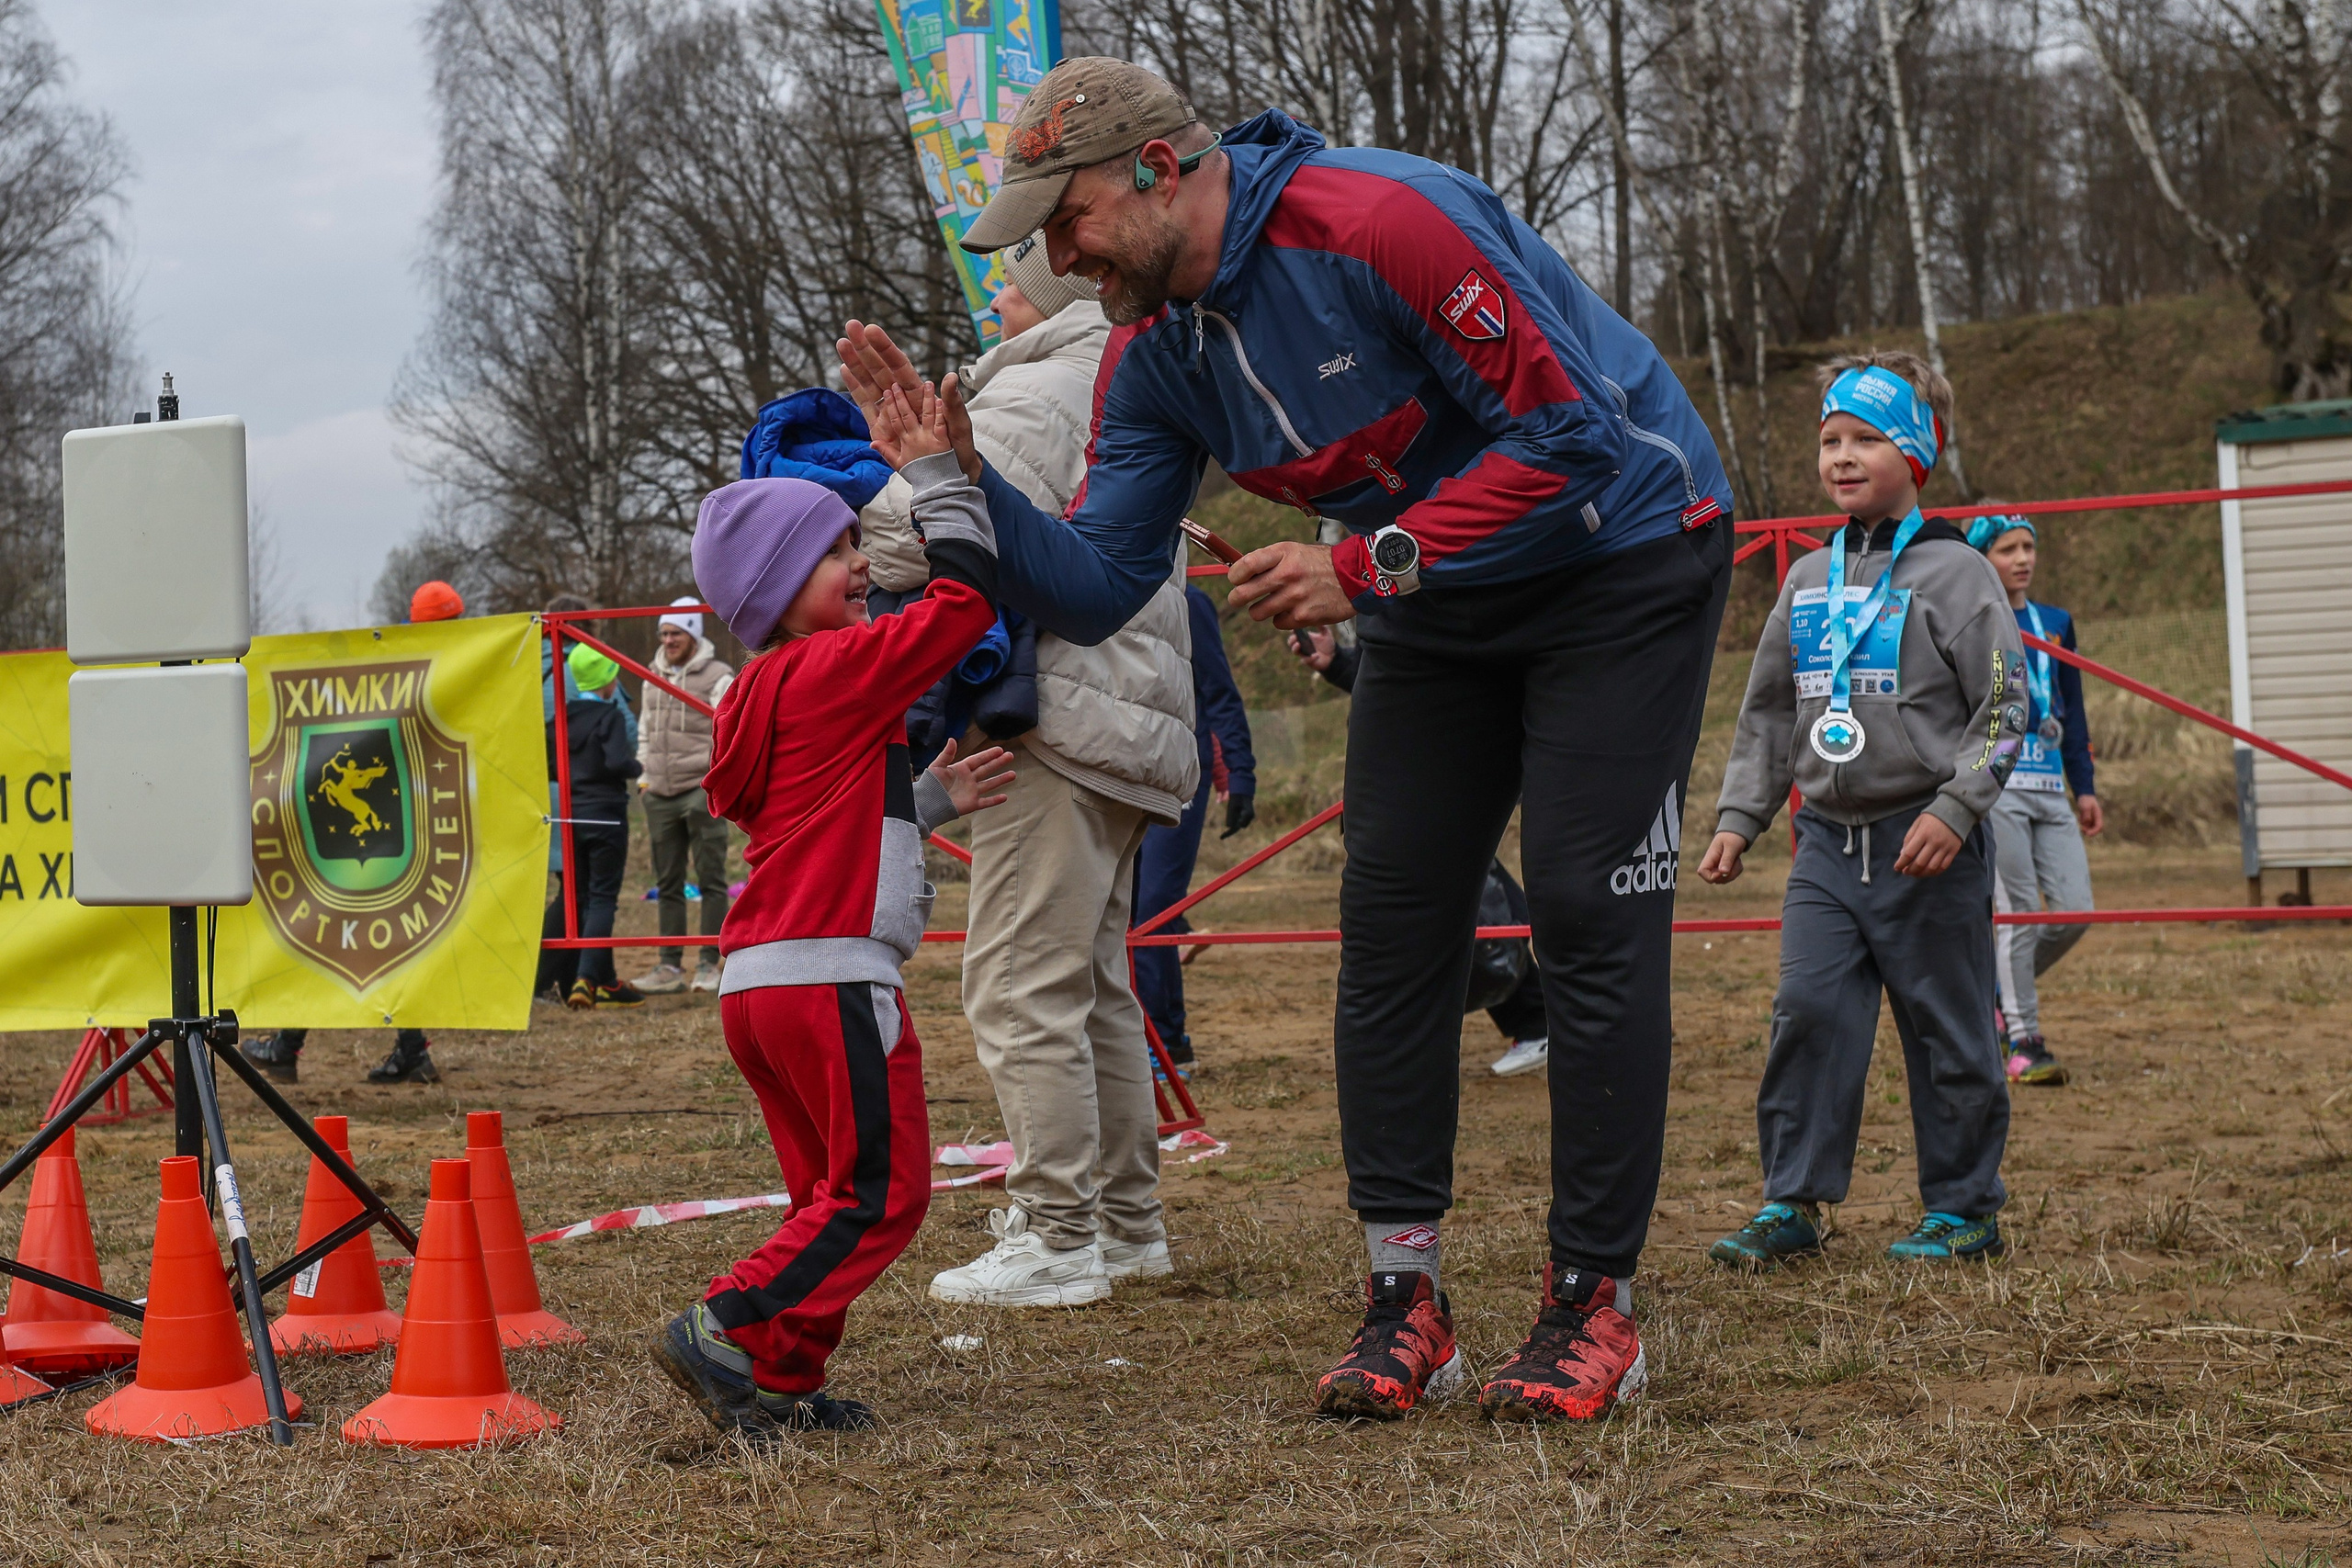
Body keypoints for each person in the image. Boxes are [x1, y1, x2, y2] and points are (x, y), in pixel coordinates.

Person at [839, 55, 1734, 1425]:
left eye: (1064, 221)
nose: (1059, 259)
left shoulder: (1380, 220)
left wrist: (1370, 563)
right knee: (1390, 928)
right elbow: (1090, 581)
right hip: (1439, 587)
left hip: (1621, 557)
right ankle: (1404, 1295)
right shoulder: (1154, 355)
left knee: (1579, 908)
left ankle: (1593, 1300)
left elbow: (1574, 442)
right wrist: (953, 484)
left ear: (1153, 168)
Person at [648, 387, 1015, 1437]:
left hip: (759, 987)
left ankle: (780, 1386)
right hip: (833, 981)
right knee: (880, 1197)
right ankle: (726, 1318)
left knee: (824, 1197)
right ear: (774, 588)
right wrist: (943, 481)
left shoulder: (756, 693)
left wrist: (932, 798)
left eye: (857, 542)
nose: (860, 565)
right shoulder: (836, 668)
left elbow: (820, 815)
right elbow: (964, 608)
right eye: (836, 554)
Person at [860, 239, 1200, 1310]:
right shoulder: (1125, 376)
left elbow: (910, 534)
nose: (995, 297)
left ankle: (1058, 1234)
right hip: (1125, 723)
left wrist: (831, 508)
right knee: (1093, 986)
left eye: (1008, 282)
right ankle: (1124, 1222)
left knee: (1016, 985)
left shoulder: (1040, 387)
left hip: (1054, 720)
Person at [1698, 352, 2027, 1270]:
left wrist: (1957, 809)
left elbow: (2005, 710)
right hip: (1824, 851)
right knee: (1807, 1012)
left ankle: (1964, 1208)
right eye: (1830, 440)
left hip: (1925, 845)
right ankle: (1792, 1201)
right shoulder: (1805, 580)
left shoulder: (1959, 576)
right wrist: (1739, 816)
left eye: (1868, 439)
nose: (1842, 456)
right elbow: (1769, 709)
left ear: (1917, 452)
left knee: (1946, 1027)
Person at [1290, 624, 1550, 1076]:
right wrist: (1337, 663)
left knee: (1462, 910)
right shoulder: (1394, 615)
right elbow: (1398, 680)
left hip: (1432, 764)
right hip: (1406, 764)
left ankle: (1534, 1020)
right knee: (1471, 904)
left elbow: (1430, 678)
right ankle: (1532, 1019)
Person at [242, 579, 470, 1087]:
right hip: (413, 827)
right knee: (366, 939)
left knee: (340, 936)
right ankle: (401, 1050)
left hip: (397, 827)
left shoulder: (410, 667)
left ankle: (289, 1046)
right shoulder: (459, 673)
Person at [1971, 514, 2099, 1087]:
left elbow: (2073, 713)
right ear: (1983, 557)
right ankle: (2023, 1041)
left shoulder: (2056, 623)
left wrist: (2086, 786)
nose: (2023, 558)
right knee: (2018, 915)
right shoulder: (1972, 617)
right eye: (2008, 549)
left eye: (2029, 547)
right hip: (1999, 790)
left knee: (2074, 912)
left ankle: (1995, 993)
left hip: (2053, 791)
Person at [1130, 584, 1254, 1071]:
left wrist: (1241, 774)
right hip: (1117, 768)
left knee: (1154, 908)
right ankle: (1146, 1037)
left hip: (1180, 775)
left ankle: (1166, 1042)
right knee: (1125, 910)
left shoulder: (1188, 600)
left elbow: (1219, 691)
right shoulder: (1100, 584)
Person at [535, 644, 646, 1010]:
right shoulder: (610, 716)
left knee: (578, 896)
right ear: (608, 681)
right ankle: (585, 979)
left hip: (573, 815)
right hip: (607, 815)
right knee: (602, 898)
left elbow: (551, 765)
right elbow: (617, 761)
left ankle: (596, 978)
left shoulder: (563, 718)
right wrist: (638, 770)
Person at [636, 598, 737, 996]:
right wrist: (644, 780)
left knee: (711, 877)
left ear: (693, 634)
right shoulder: (649, 675)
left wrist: (714, 780)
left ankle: (709, 964)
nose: (668, 640)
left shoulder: (718, 676)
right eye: (663, 633)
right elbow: (644, 730)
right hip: (658, 791)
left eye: (676, 633)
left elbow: (729, 731)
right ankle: (669, 966)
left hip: (699, 789)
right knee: (668, 881)